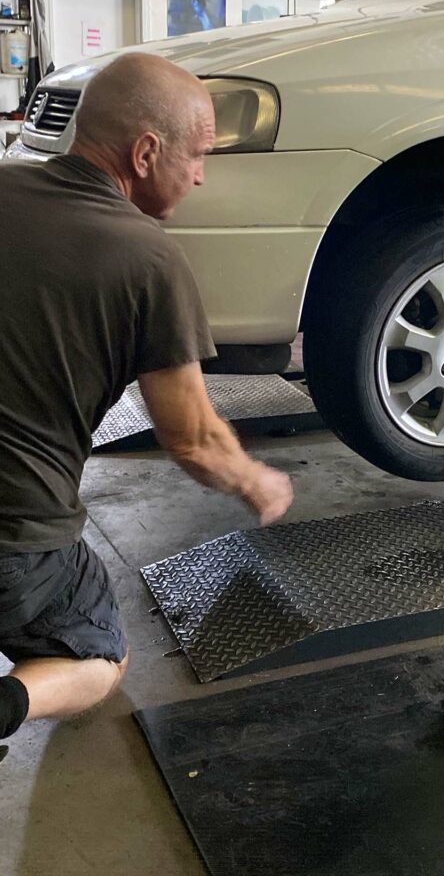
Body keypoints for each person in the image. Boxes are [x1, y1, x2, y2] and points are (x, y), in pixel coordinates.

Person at [0, 53, 294, 761]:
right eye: (196, 156)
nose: (199, 176)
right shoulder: (148, 259)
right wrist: (260, 482)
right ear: (144, 152)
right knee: (103, 653)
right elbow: (192, 440)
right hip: (16, 539)